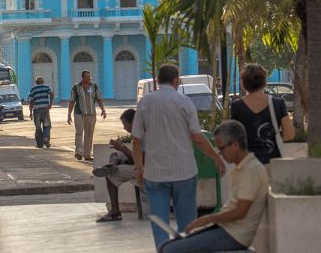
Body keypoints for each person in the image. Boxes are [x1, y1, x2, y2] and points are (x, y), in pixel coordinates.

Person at [132, 64, 225, 251]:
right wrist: (216, 157)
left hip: (155, 174)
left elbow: (136, 140)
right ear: (176, 80)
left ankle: (163, 249)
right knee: (187, 223)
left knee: (159, 222)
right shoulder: (185, 103)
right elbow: (197, 138)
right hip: (184, 172)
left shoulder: (145, 103)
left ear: (158, 80)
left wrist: (139, 168)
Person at [159, 120, 269, 253]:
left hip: (234, 235)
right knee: (167, 246)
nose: (220, 154)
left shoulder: (252, 170)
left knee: (169, 249)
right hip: (225, 229)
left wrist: (207, 219)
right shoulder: (243, 168)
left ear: (235, 145)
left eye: (221, 149)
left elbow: (240, 212)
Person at [231, 63, 294, 165]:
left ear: (244, 83)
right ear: (264, 82)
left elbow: (234, 138)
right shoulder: (277, 104)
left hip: (248, 164)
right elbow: (289, 134)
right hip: (273, 163)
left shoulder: (236, 107)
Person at [93, 108, 138, 222]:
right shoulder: (137, 134)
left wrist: (122, 147)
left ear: (133, 122)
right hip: (138, 163)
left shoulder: (141, 135)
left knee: (111, 176)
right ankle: (111, 166)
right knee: (115, 154)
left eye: (125, 124)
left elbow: (140, 160)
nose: (124, 128)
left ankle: (115, 212)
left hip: (143, 168)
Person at [67, 70, 106, 161]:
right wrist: (69, 114)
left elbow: (99, 99)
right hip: (79, 114)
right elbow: (72, 101)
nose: (89, 78)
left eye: (90, 77)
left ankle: (87, 154)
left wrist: (103, 109)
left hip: (91, 114)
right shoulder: (76, 87)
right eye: (87, 77)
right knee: (79, 133)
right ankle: (78, 152)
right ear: (83, 77)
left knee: (89, 134)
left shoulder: (94, 86)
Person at [28, 76, 54, 148]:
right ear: (43, 81)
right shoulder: (47, 87)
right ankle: (46, 139)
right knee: (47, 126)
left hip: (36, 110)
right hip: (45, 109)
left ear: (36, 82)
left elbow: (31, 101)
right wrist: (50, 104)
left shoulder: (33, 89)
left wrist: (30, 112)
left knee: (38, 127)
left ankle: (39, 144)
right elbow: (52, 94)